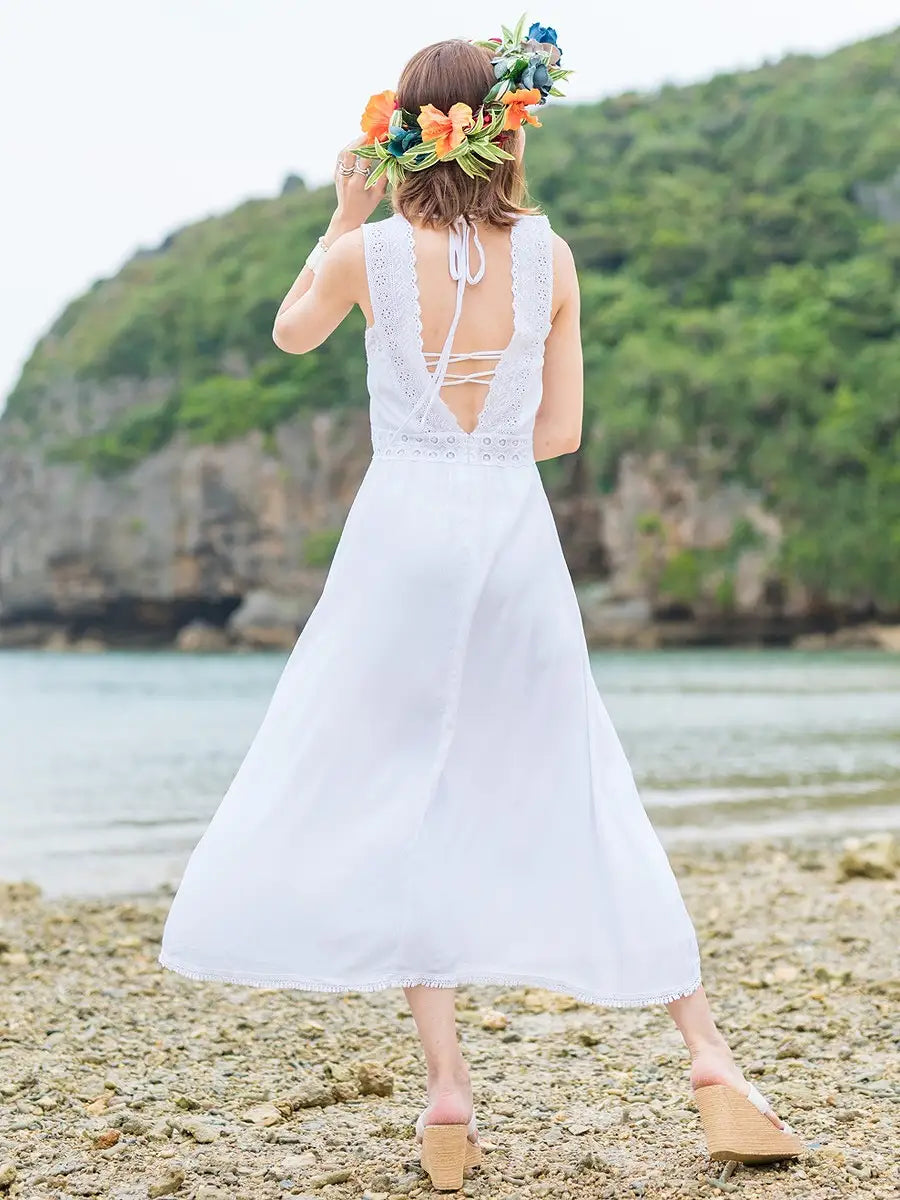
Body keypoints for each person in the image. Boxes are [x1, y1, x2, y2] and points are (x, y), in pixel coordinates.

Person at [159, 21, 803, 1190]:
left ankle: (449, 1091)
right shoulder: (552, 258)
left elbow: (290, 334)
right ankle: (710, 1059)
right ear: (507, 131)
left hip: (401, 540)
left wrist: (342, 217)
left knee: (408, 794)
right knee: (582, 781)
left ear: (404, 134)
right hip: (508, 533)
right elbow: (558, 434)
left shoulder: (367, 257)